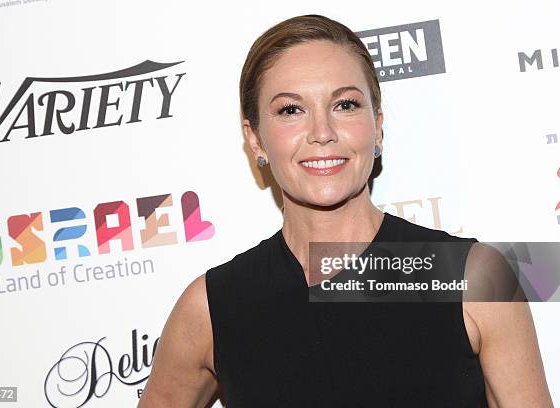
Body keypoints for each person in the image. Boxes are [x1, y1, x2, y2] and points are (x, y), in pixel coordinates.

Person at [137, 14, 553, 407]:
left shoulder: (473, 279)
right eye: (291, 110)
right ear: (257, 140)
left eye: (345, 105)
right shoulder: (212, 307)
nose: (322, 133)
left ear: (378, 126)